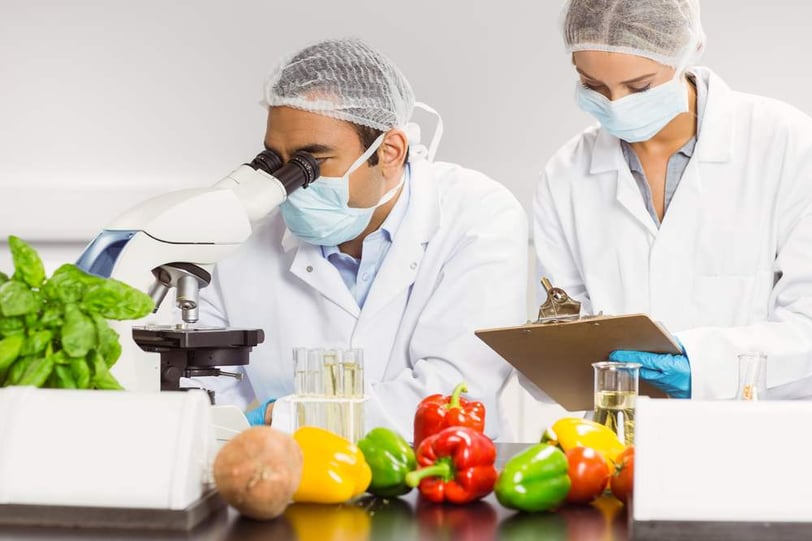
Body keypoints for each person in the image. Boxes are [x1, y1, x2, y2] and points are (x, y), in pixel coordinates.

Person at [199, 38, 528, 438]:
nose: (288, 185)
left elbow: (454, 394)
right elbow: (203, 397)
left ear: (389, 151)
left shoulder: (478, 214)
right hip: (294, 478)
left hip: (442, 476)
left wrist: (283, 418)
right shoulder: (242, 238)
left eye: (311, 163)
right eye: (276, 161)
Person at [534, 0, 812, 400]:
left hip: (762, 436)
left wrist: (703, 365)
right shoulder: (566, 175)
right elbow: (564, 333)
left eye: (640, 86)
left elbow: (806, 324)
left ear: (689, 50)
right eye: (593, 86)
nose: (616, 104)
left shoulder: (787, 144)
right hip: (627, 439)